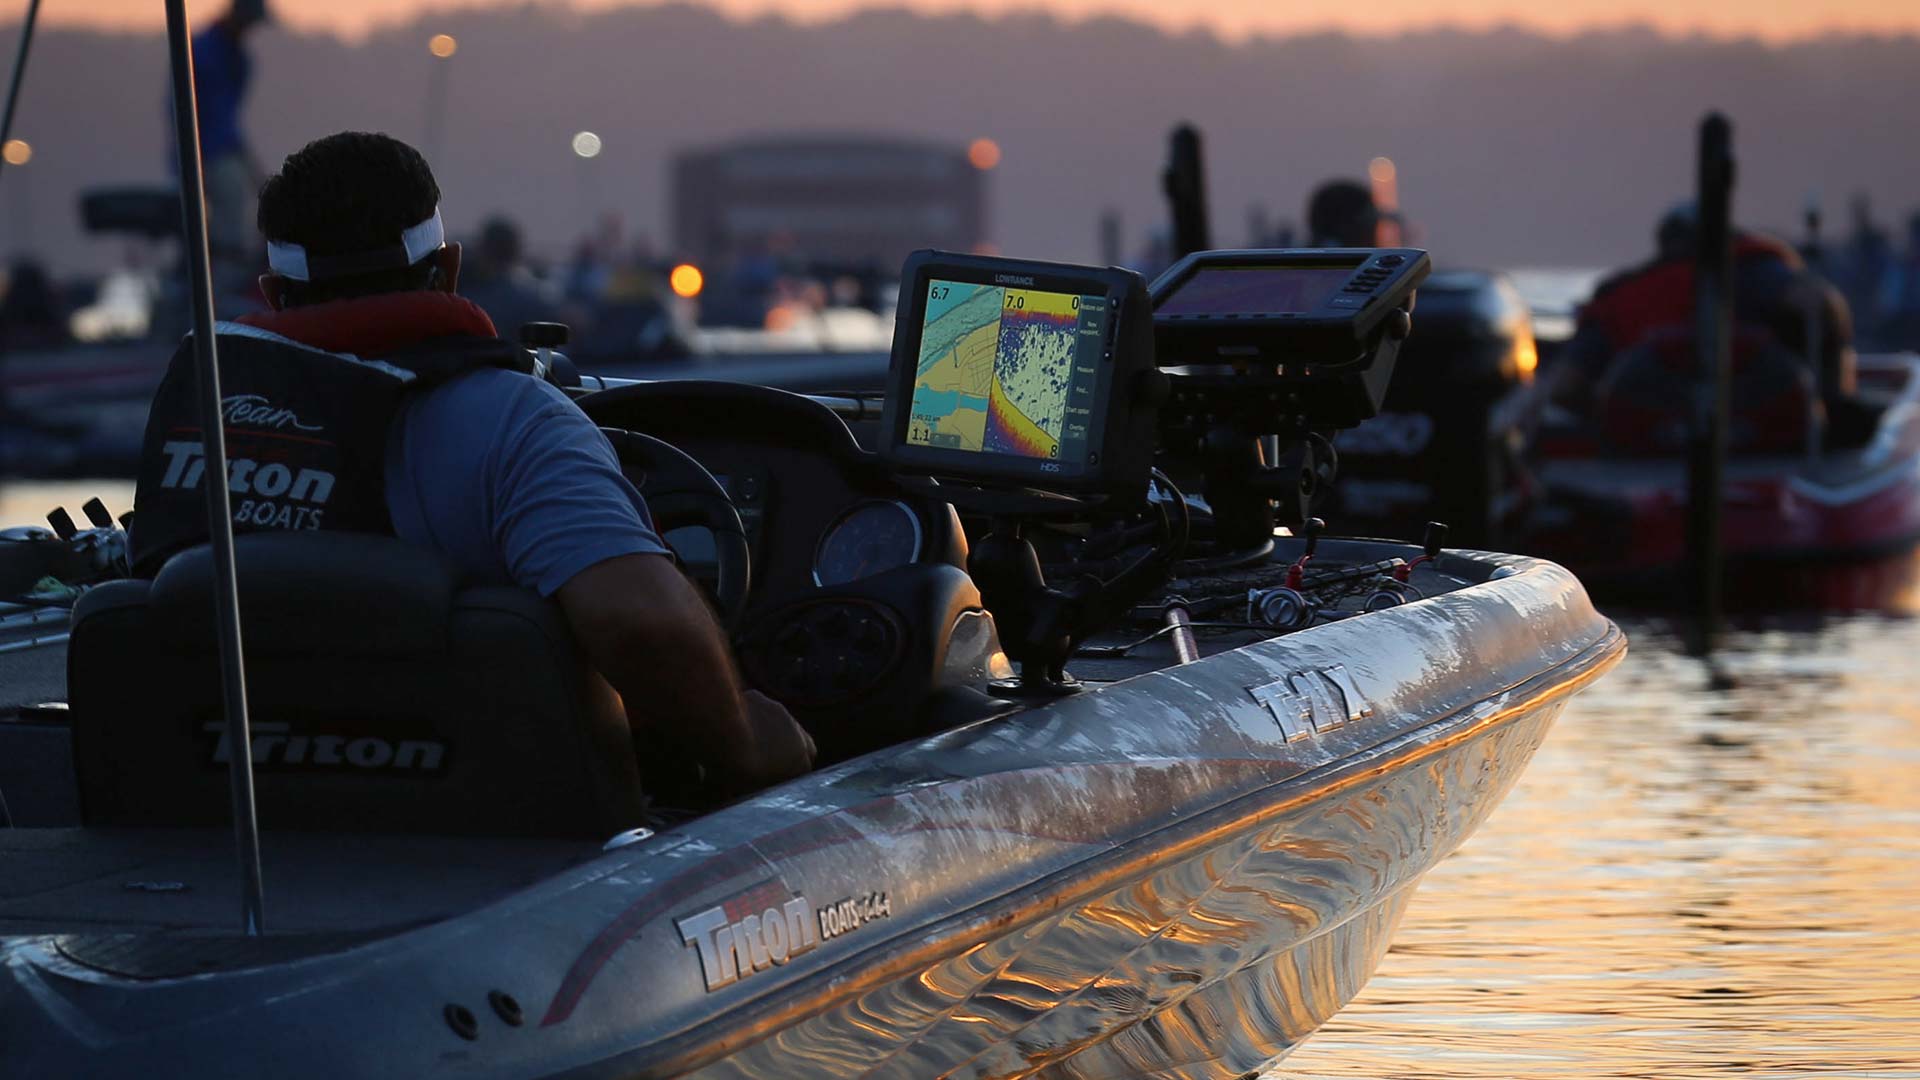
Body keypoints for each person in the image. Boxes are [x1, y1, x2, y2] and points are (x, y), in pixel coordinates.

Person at [130, 131, 814, 796]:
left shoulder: (199, 417)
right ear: (449, 268)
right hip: (482, 846)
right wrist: (747, 747)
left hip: (222, 825)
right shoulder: (518, 423)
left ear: (274, 294)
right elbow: (642, 624)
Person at [1555, 202, 1855, 414]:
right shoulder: (1763, 271)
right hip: (1770, 444)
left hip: (1651, 451)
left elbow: (1567, 382)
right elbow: (1822, 309)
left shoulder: (1621, 298)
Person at [186, 0, 271, 264]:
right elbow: (210, 116)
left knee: (252, 191)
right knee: (231, 191)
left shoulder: (240, 60)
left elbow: (228, 117)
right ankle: (226, 261)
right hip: (204, 151)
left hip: (225, 146)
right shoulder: (202, 51)